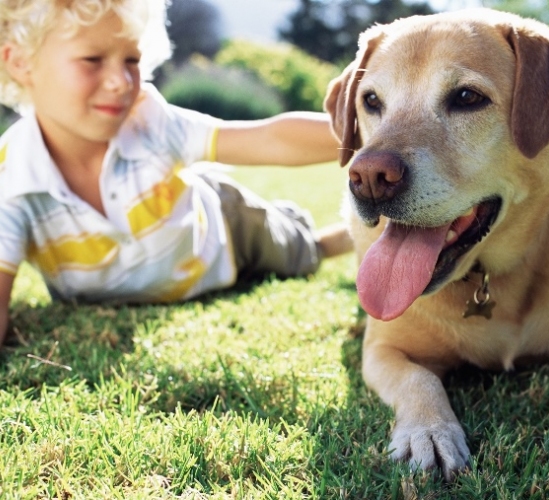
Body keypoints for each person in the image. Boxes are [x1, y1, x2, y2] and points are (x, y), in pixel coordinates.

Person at [0, 0, 352, 343]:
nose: (121, 81)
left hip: (225, 230)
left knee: (297, 253)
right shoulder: (10, 178)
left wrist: (368, 134)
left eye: (132, 60)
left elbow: (269, 139)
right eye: (92, 60)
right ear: (19, 62)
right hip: (169, 268)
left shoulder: (151, 122)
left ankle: (332, 239)